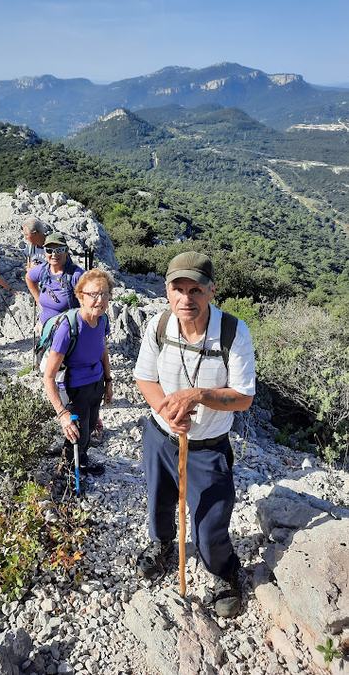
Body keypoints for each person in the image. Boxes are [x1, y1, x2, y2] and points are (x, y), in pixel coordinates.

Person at [133, 251, 255, 618]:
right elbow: (145, 377)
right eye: (178, 289)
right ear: (168, 292)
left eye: (195, 290)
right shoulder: (159, 326)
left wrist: (197, 395)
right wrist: (168, 411)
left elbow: (243, 397)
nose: (187, 298)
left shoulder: (233, 332)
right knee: (159, 501)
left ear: (211, 291)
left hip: (208, 447)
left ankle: (221, 572)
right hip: (160, 435)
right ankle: (163, 544)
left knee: (209, 519)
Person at [43, 269, 114, 477]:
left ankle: (80, 460)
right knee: (77, 432)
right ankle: (66, 471)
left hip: (96, 382)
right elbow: (48, 376)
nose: (99, 300)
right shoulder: (68, 327)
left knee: (90, 425)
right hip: (75, 386)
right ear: (80, 296)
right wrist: (62, 414)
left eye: (104, 294)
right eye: (93, 294)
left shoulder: (102, 320)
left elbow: (102, 349)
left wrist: (108, 381)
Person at [26, 233, 84, 326]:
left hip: (68, 330)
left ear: (66, 251)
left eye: (59, 250)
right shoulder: (43, 270)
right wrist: (38, 299)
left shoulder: (76, 275)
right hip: (46, 329)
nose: (54, 254)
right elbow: (29, 278)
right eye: (49, 250)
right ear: (44, 252)